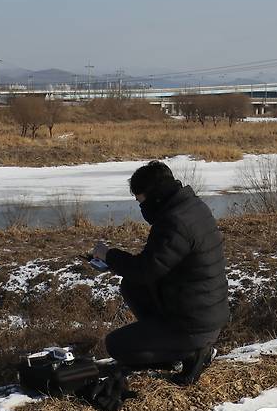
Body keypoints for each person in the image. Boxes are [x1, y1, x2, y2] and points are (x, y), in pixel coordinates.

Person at [92, 161, 229, 385]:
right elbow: (155, 264)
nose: (141, 208)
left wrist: (108, 255)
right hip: (204, 310)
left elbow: (146, 270)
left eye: (141, 201)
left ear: (154, 196)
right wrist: (117, 262)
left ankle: (189, 353)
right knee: (132, 285)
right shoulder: (192, 206)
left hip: (194, 324)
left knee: (115, 345)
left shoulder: (174, 222)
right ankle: (170, 345)